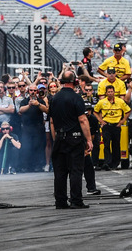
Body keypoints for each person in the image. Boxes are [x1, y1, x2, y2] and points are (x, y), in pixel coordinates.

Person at [48, 71, 93, 209]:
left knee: (60, 172)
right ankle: (76, 200)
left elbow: (52, 121)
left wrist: (56, 138)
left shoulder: (54, 98)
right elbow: (83, 119)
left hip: (60, 138)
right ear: (75, 82)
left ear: (61, 82)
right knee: (75, 170)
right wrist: (89, 140)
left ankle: (60, 201)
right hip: (74, 138)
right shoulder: (76, 98)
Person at [94, 86, 130, 170]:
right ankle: (107, 162)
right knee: (106, 144)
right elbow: (95, 111)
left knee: (116, 145)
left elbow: (128, 111)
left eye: (111, 91)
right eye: (109, 92)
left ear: (114, 92)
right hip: (107, 125)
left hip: (116, 125)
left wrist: (122, 121)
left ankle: (115, 163)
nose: (110, 93)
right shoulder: (102, 102)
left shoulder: (120, 101)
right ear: (106, 93)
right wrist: (101, 121)